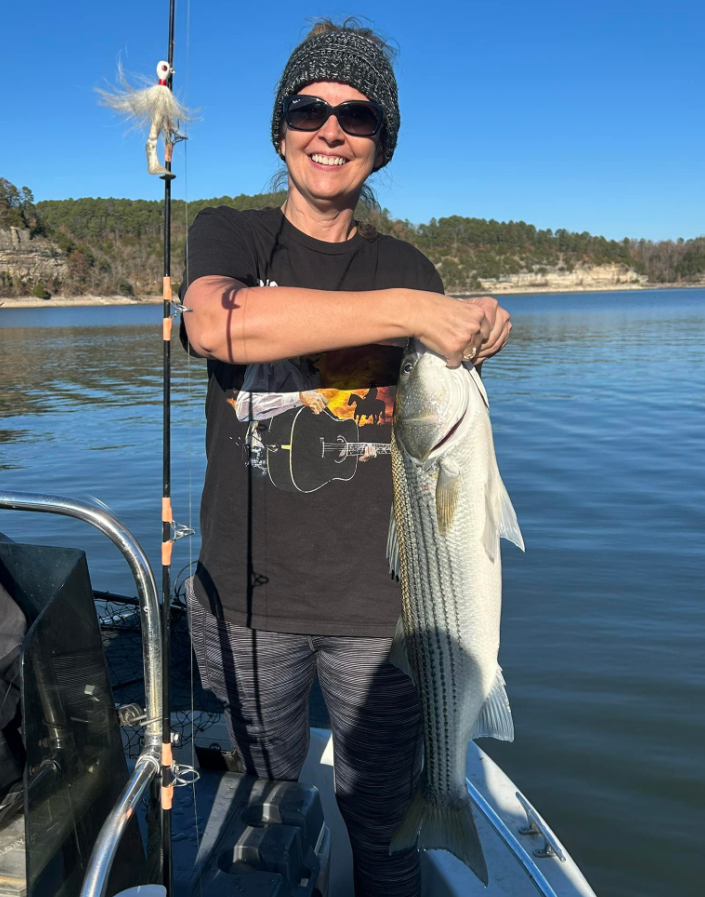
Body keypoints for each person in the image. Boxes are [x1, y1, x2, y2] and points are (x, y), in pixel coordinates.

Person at [180, 19, 511, 897]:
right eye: (308, 107)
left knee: (384, 835)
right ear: (281, 127)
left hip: (387, 614)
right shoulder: (233, 237)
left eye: (357, 115)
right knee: (256, 822)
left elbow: (440, 409)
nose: (330, 129)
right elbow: (216, 323)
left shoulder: (405, 263)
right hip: (244, 602)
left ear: (382, 141)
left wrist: (466, 331)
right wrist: (413, 311)